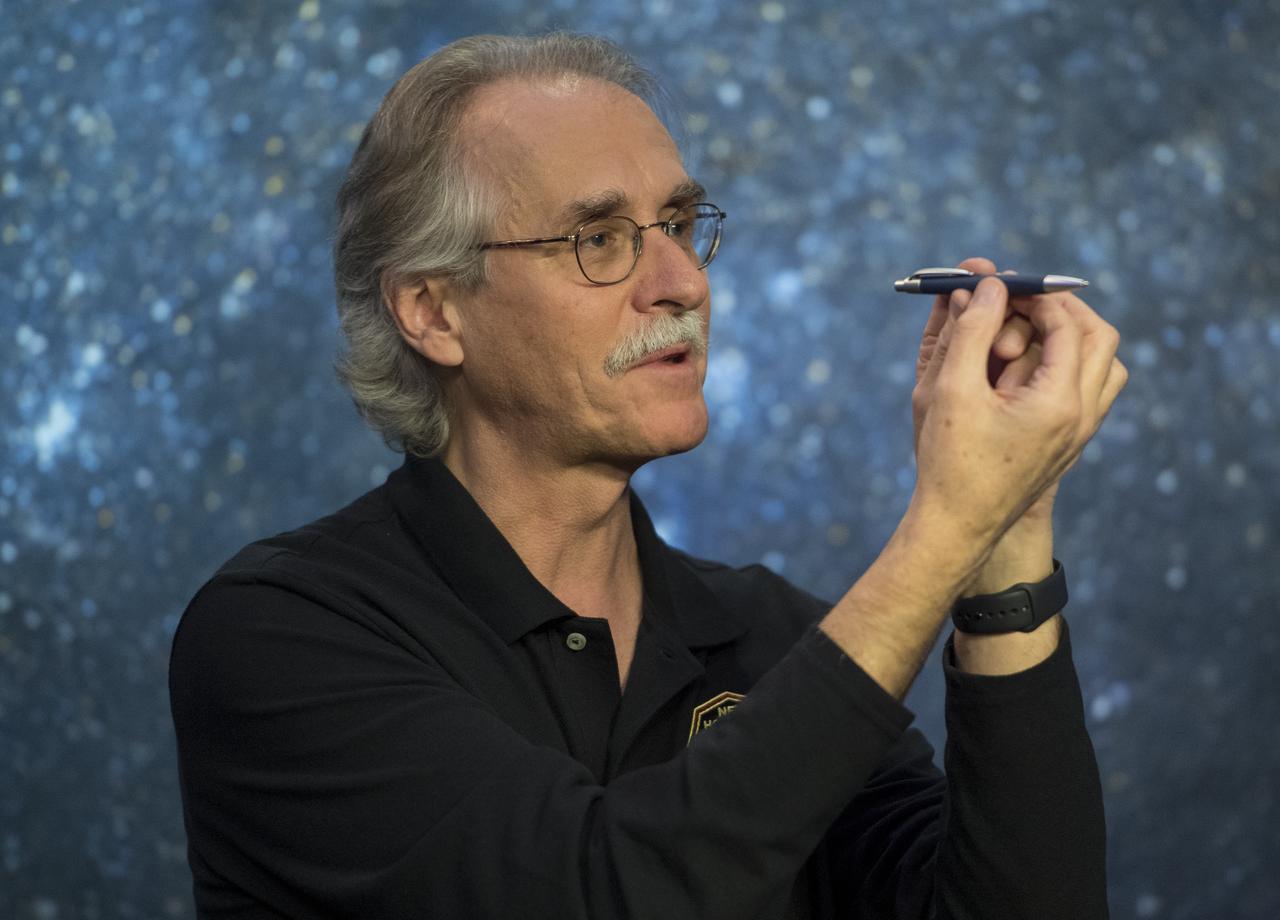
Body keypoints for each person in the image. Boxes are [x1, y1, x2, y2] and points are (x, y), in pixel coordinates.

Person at [169, 32, 1127, 920]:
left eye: (677, 222)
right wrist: (946, 530)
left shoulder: (768, 639)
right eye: (598, 237)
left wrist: (1005, 541)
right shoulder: (282, 634)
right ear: (432, 311)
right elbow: (610, 889)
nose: (680, 281)